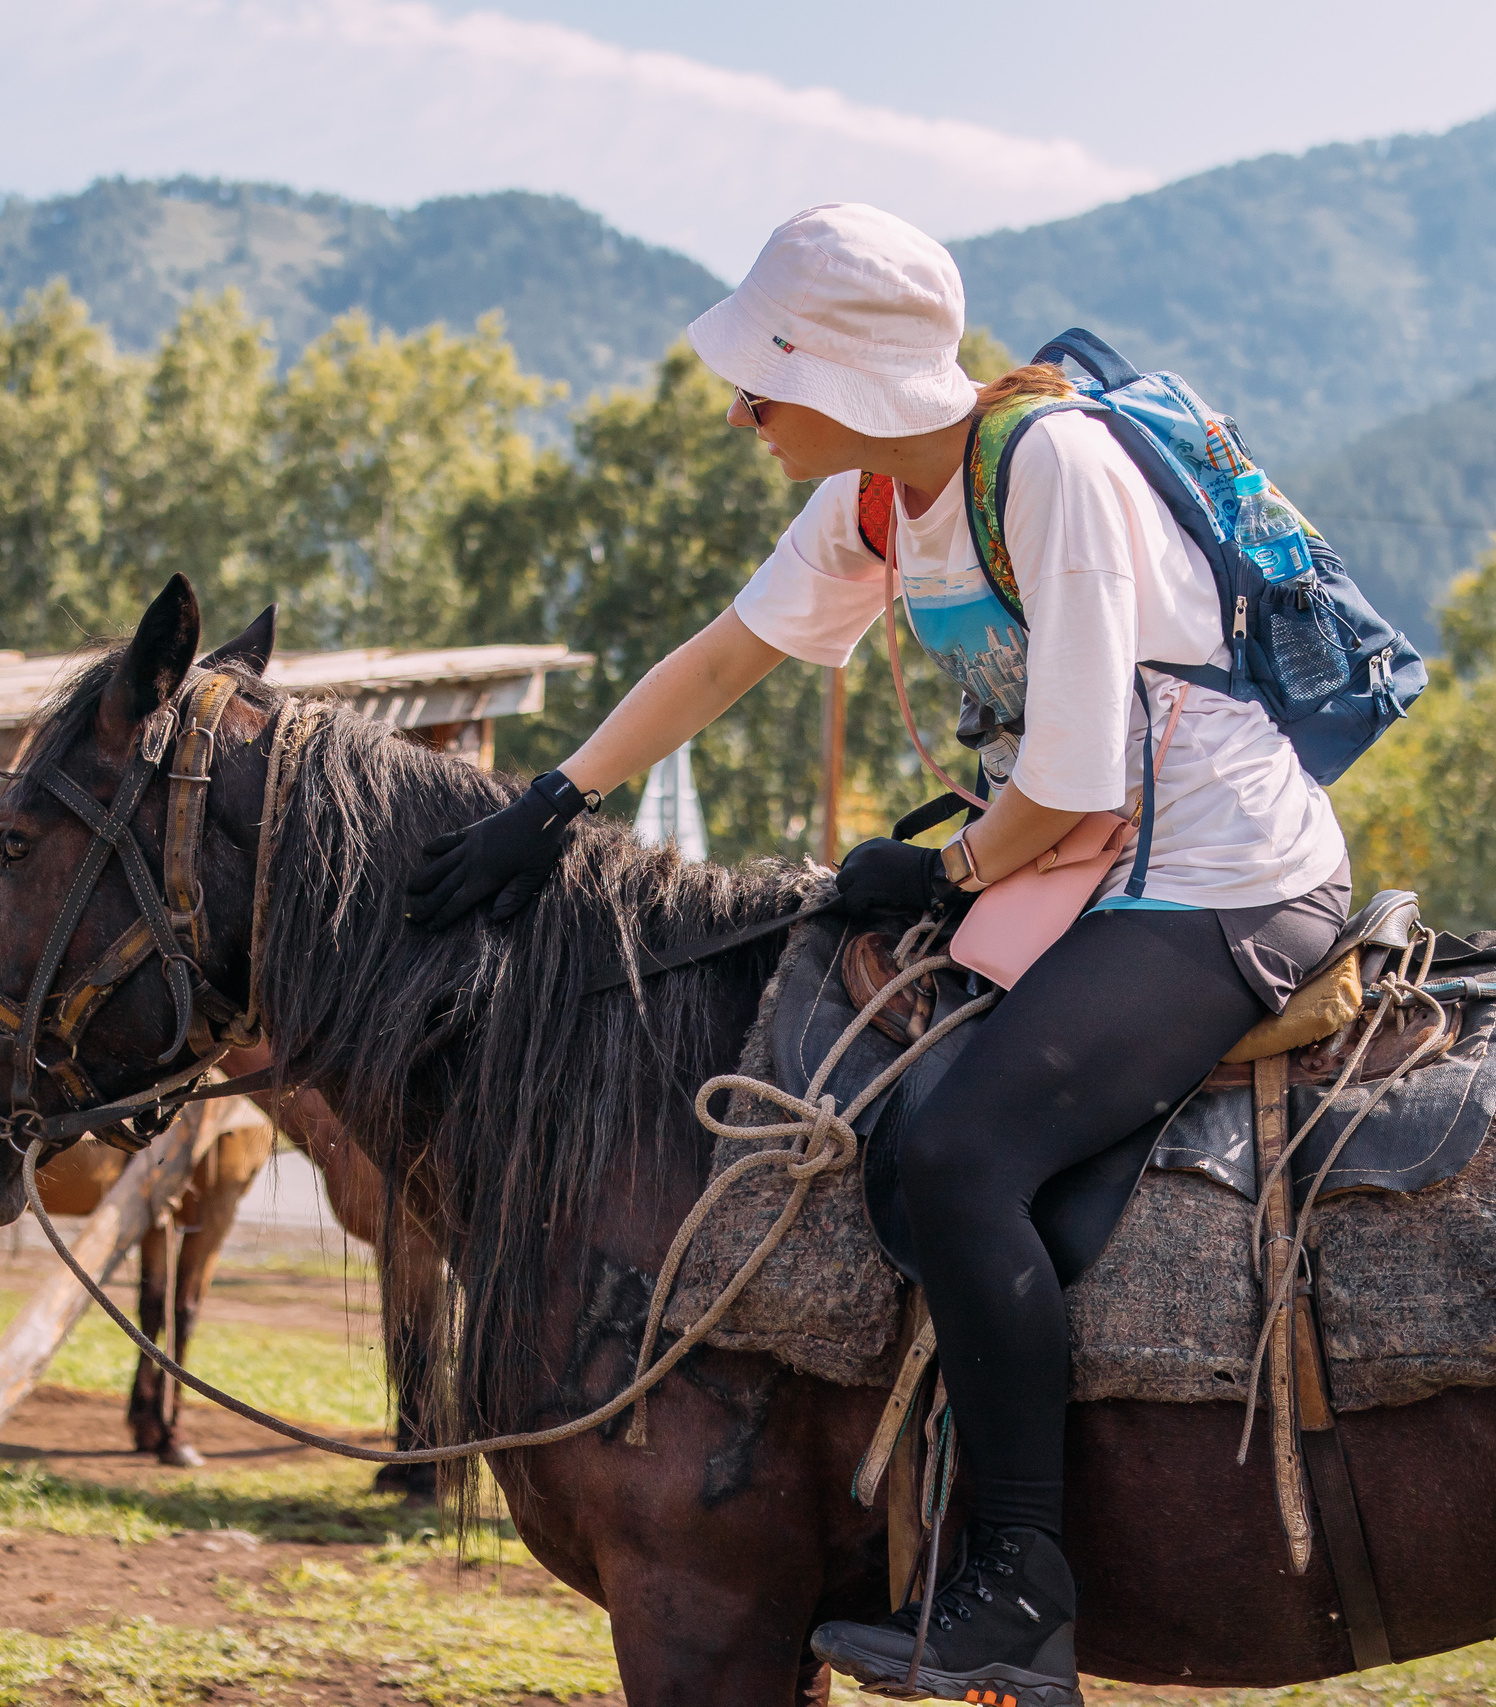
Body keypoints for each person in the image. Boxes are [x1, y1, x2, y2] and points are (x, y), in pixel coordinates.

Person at [404, 203, 1349, 1707]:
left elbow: (1085, 776)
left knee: (965, 1154)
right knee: (881, 1122)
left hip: (1215, 876)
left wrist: (938, 868)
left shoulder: (1050, 468)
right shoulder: (875, 503)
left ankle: (1022, 1588)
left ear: (845, 374)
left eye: (764, 377)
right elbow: (725, 654)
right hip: (1088, 869)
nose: (739, 408)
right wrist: (553, 806)